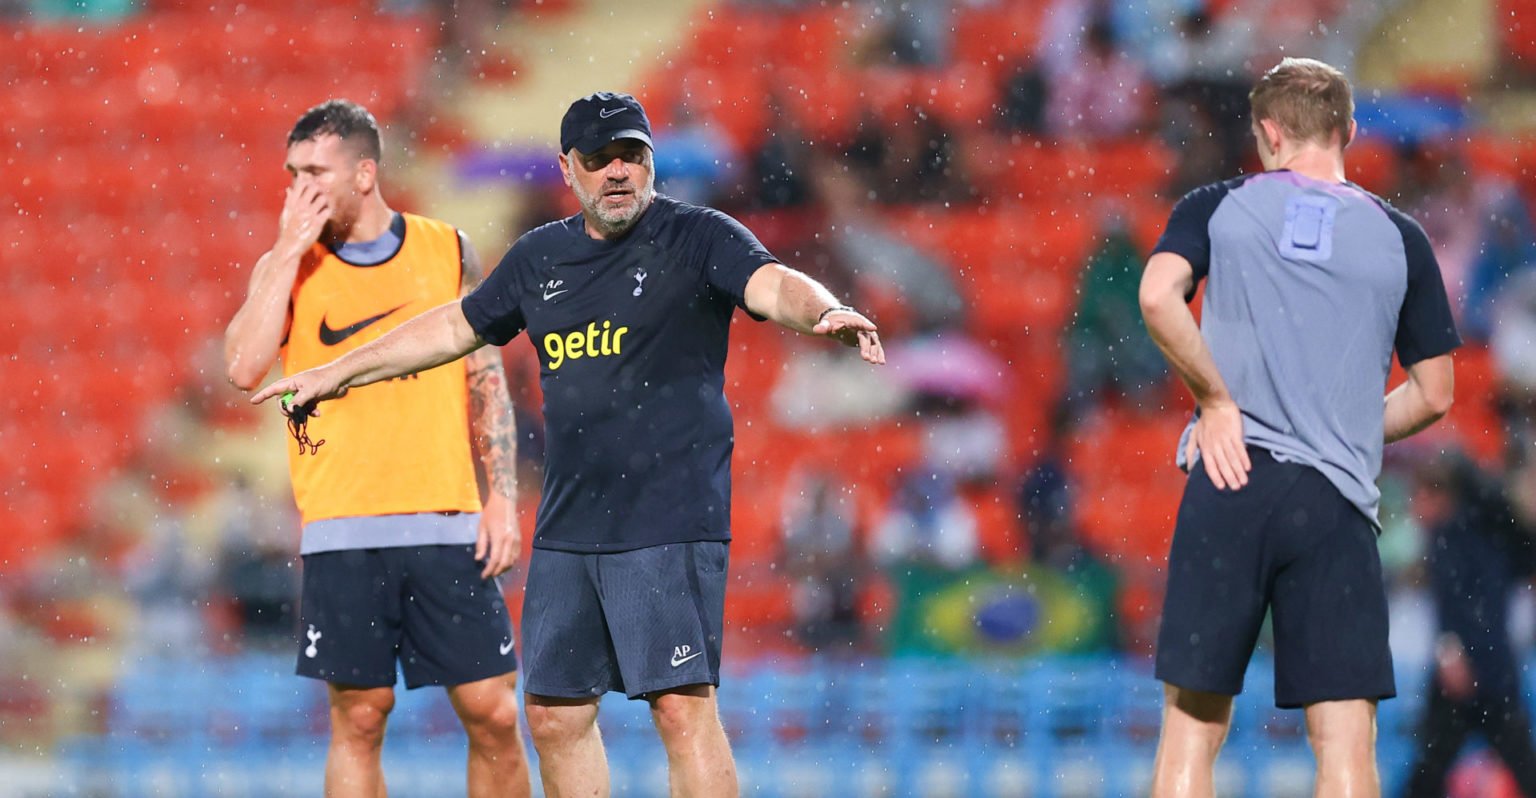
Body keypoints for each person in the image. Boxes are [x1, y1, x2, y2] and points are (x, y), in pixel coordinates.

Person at [249, 91, 885, 797]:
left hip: (668, 521)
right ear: (569, 169)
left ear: (650, 162)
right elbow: (449, 330)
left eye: (631, 156)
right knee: (552, 716)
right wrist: (336, 372)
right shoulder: (539, 259)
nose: (617, 172)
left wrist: (823, 310)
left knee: (680, 709)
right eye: (599, 159)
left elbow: (772, 285)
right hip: (570, 527)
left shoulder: (699, 237)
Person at [1138, 58, 1460, 797]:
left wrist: (1217, 401)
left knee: (1192, 733)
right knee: (1345, 745)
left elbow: (1159, 298)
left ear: (1268, 134)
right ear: (1347, 131)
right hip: (1335, 503)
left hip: (1230, 479)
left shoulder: (1217, 204)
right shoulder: (1401, 236)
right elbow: (1436, 393)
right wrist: (1344, 429)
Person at [222, 99, 530, 798]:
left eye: (316, 172)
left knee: (493, 712)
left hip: (447, 522)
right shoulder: (287, 267)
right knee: (360, 718)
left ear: (365, 173)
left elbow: (485, 381)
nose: (301, 189)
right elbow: (242, 368)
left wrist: (503, 499)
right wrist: (287, 252)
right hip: (342, 531)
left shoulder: (446, 249)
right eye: (292, 173)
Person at [1403, 452, 1536, 798]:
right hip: (1494, 669)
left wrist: (1449, 652)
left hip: (1468, 670)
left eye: (1419, 497)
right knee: (1518, 761)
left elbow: (1455, 604)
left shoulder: (1450, 536)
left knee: (1431, 767)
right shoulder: (1493, 533)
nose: (1414, 509)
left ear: (1440, 495)